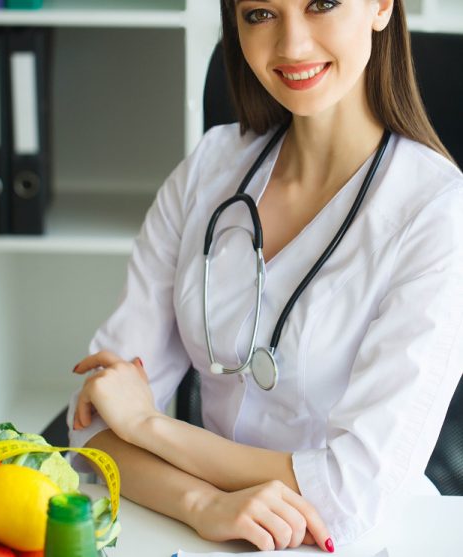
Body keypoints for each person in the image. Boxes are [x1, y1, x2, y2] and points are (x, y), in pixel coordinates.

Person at [67, 0, 463, 552]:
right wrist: (202, 503)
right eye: (260, 14)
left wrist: (149, 428)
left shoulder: (437, 213)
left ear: (380, 6)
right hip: (205, 533)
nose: (292, 46)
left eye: (321, 4)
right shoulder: (211, 166)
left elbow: (350, 498)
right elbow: (91, 423)